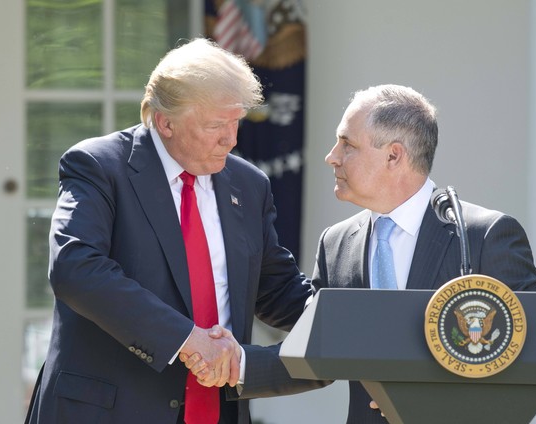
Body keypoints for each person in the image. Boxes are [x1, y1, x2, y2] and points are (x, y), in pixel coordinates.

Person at [197, 83, 536, 423]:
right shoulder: (337, 243)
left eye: (347, 145)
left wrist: (447, 405)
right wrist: (238, 364)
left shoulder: (484, 236)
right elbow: (325, 349)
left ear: (394, 155)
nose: (331, 157)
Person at [24, 38, 321, 424]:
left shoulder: (249, 185)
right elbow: (75, 267)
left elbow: (278, 290)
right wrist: (186, 339)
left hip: (217, 412)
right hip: (109, 411)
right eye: (216, 125)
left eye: (236, 122)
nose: (231, 140)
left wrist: (351, 318)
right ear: (165, 122)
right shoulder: (99, 166)